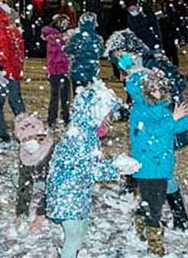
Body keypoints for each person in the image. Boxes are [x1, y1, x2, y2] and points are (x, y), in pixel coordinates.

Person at [45, 80, 140, 258]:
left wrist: (113, 165)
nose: (108, 125)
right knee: (73, 236)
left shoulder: (85, 134)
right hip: (67, 196)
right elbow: (92, 169)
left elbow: (89, 165)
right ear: (93, 115)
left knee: (81, 229)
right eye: (106, 119)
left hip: (76, 193)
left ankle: (70, 254)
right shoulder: (79, 138)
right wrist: (116, 167)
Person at [125, 65, 188, 254]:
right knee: (155, 207)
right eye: (153, 89)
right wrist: (173, 117)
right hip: (147, 167)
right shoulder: (139, 111)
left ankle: (140, 218)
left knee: (152, 202)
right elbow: (152, 131)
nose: (158, 93)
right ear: (145, 91)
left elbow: (173, 128)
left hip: (163, 165)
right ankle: (155, 243)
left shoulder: (162, 109)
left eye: (161, 89)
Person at [0, 2, 27, 143]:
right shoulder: (11, 28)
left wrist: (1, 71)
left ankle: (4, 135)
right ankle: (27, 130)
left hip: (5, 72)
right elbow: (19, 51)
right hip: (14, 71)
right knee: (16, 102)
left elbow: (1, 51)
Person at [13, 113, 54, 233]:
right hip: (40, 180)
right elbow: (24, 182)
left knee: (46, 186)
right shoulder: (25, 153)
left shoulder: (52, 153)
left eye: (32, 138)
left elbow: (54, 186)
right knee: (16, 178)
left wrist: (40, 216)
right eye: (25, 140)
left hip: (58, 187)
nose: (28, 142)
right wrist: (21, 212)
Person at [42, 13, 72, 128]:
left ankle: (61, 117)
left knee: (62, 96)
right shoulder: (54, 38)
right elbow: (59, 54)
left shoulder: (55, 38)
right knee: (58, 96)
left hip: (59, 70)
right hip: (57, 70)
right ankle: (55, 118)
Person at [66, 12, 105, 88]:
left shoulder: (76, 37)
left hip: (77, 70)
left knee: (77, 93)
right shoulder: (97, 39)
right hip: (92, 71)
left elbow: (68, 50)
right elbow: (101, 52)